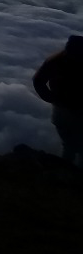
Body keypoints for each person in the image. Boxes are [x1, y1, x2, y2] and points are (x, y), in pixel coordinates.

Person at [33, 36, 83, 167]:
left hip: (63, 108)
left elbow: (38, 80)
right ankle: (70, 174)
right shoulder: (56, 61)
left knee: (70, 144)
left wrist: (51, 98)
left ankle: (67, 171)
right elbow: (38, 80)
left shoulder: (56, 60)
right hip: (65, 109)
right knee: (72, 144)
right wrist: (51, 98)